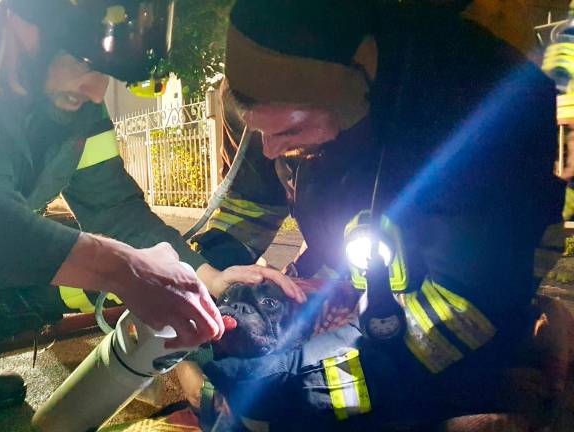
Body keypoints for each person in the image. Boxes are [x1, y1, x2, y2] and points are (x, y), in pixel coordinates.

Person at [0, 0, 299, 411]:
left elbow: (118, 211)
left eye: (108, 76)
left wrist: (207, 275)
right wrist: (118, 267)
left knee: (70, 264)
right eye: (88, 67)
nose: (96, 90)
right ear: (27, 25)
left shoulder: (77, 106)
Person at [193, 0, 565, 429]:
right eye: (260, 131)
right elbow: (246, 209)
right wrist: (203, 280)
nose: (271, 149)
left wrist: (298, 383)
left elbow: (457, 317)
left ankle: (530, 349)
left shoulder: (479, 117)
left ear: (354, 91)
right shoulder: (286, 98)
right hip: (371, 280)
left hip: (469, 298)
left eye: (288, 132)